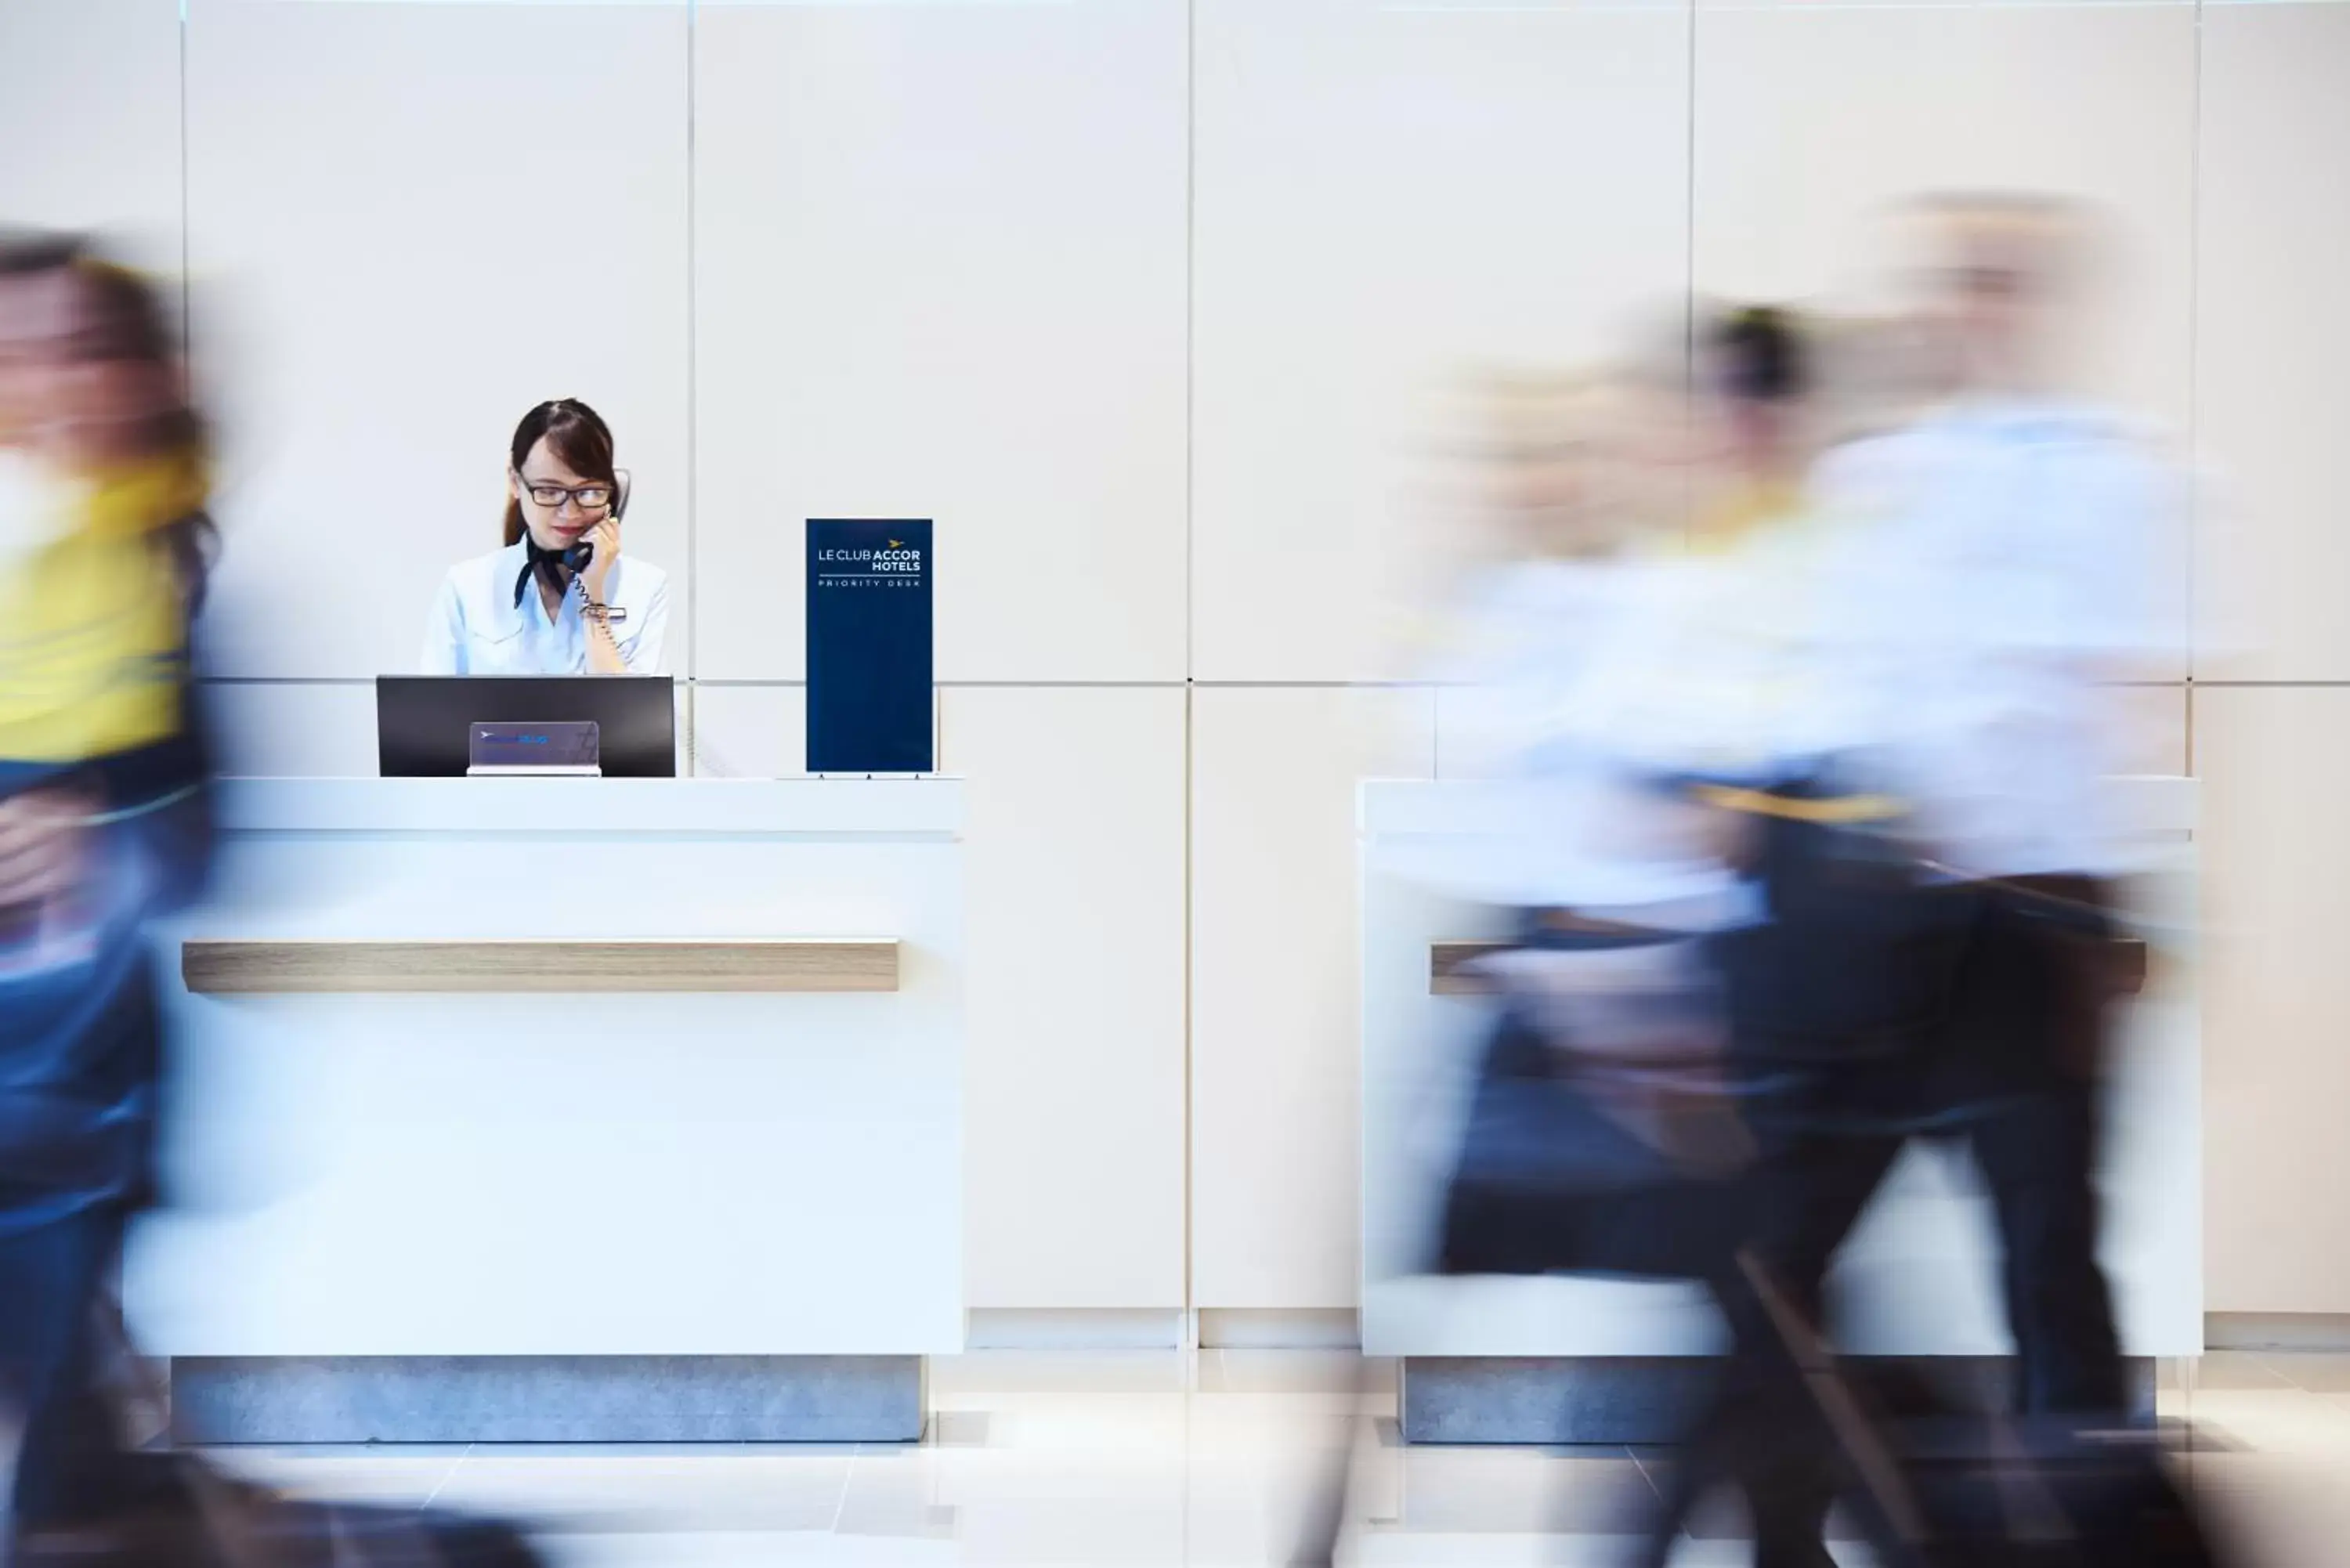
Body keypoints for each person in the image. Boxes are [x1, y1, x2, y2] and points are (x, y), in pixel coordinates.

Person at [0, 235, 219, 1545]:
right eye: (13, 355)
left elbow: (203, 828)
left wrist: (97, 828)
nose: (42, 383)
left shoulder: (153, 564)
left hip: (64, 1096)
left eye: (73, 350)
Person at [421, 398, 668, 674]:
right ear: (516, 482)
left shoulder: (645, 587)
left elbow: (632, 714)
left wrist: (594, 600)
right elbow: (434, 711)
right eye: (549, 492)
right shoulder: (467, 587)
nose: (570, 512)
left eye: (589, 492)